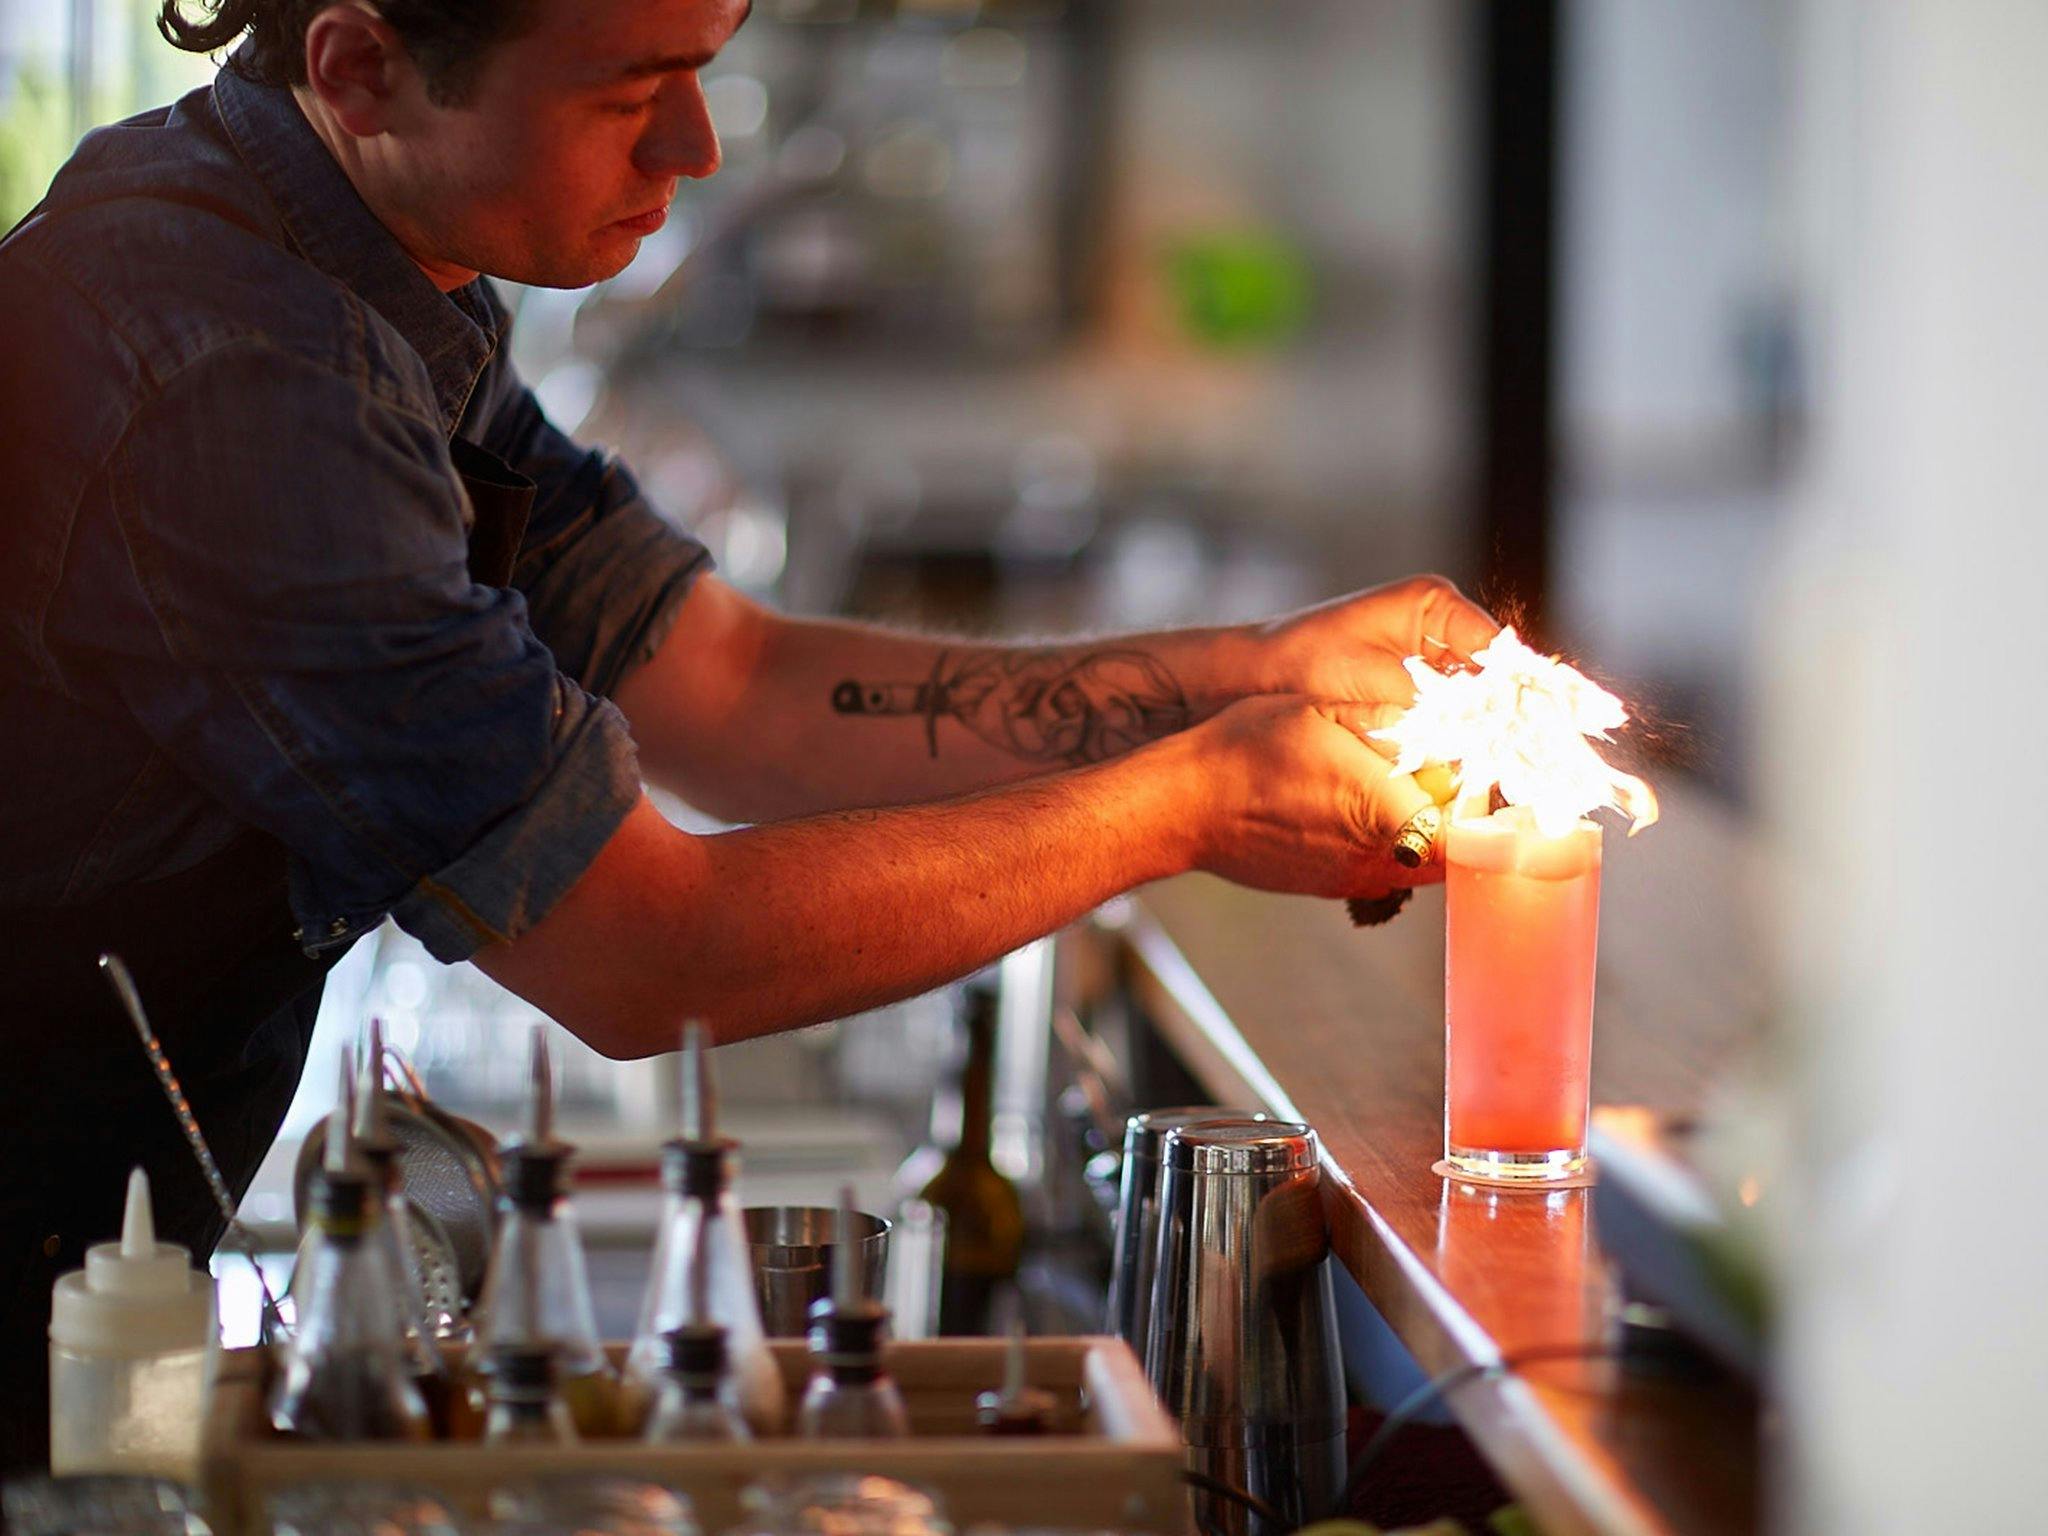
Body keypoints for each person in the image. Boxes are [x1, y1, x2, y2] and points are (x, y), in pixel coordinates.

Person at [0, 0, 1497, 1466]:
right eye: (624, 89)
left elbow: (728, 684)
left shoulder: (365, 268)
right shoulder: (244, 374)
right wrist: (1188, 804)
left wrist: (1250, 676)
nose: (694, 145)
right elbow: (648, 951)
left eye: (701, 70)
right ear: (362, 66)